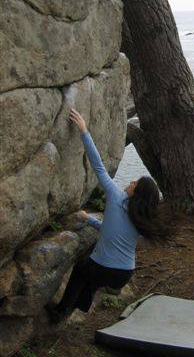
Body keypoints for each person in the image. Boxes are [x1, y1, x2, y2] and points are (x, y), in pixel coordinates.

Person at [46, 108, 172, 323]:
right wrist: (89, 219)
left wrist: (84, 131)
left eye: (135, 183)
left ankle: (60, 312)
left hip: (104, 269)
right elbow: (113, 232)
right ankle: (84, 303)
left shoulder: (117, 197)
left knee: (82, 268)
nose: (131, 182)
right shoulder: (141, 216)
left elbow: (98, 167)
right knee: (94, 271)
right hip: (124, 274)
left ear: (137, 191)